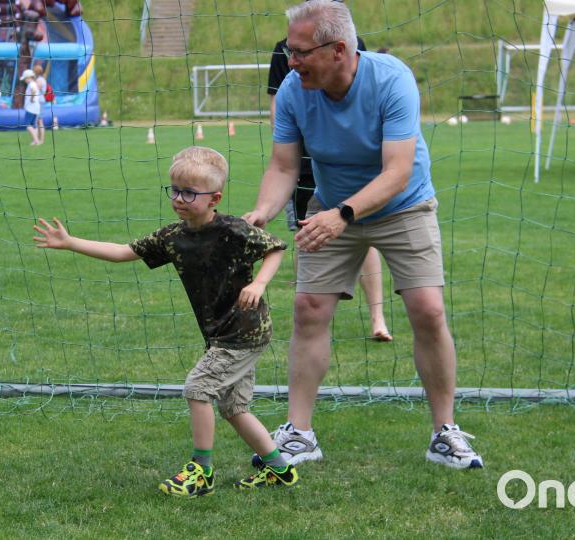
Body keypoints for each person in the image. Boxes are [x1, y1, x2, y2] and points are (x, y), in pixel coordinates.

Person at [243, 0, 483, 470]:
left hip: (403, 204)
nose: (290, 62)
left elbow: (397, 172)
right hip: (333, 203)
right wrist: (262, 211)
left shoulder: (392, 79)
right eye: (289, 51)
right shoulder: (294, 89)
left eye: (299, 52)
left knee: (428, 310)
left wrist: (343, 215)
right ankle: (299, 434)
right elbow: (284, 165)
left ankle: (445, 432)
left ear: (337, 51)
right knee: (309, 308)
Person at [33, 146, 299, 497]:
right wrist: (70, 243)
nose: (179, 198)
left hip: (244, 330)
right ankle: (279, 470)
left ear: (214, 197)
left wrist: (259, 283)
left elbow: (275, 247)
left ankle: (201, 471)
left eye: (189, 192)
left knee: (197, 388)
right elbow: (123, 252)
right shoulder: (172, 237)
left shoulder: (233, 230)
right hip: (222, 333)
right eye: (174, 189)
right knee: (234, 407)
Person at [268, 30, 392, 342]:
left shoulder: (354, 44)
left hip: (354, 164)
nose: (296, 60)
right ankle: (314, 313)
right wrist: (290, 143)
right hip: (306, 161)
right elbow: (277, 105)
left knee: (363, 233)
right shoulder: (283, 49)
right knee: (305, 232)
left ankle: (378, 316)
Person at [21, 69, 42, 145]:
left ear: (29, 77)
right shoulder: (34, 83)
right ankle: (35, 141)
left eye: (25, 79)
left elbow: (33, 91)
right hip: (36, 107)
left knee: (27, 125)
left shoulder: (31, 84)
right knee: (34, 125)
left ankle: (36, 140)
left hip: (31, 108)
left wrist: (32, 98)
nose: (25, 80)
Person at [33, 64, 48, 141]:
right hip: (40, 101)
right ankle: (38, 139)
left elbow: (35, 89)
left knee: (39, 120)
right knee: (38, 121)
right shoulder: (41, 79)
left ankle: (40, 139)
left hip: (39, 101)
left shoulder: (39, 80)